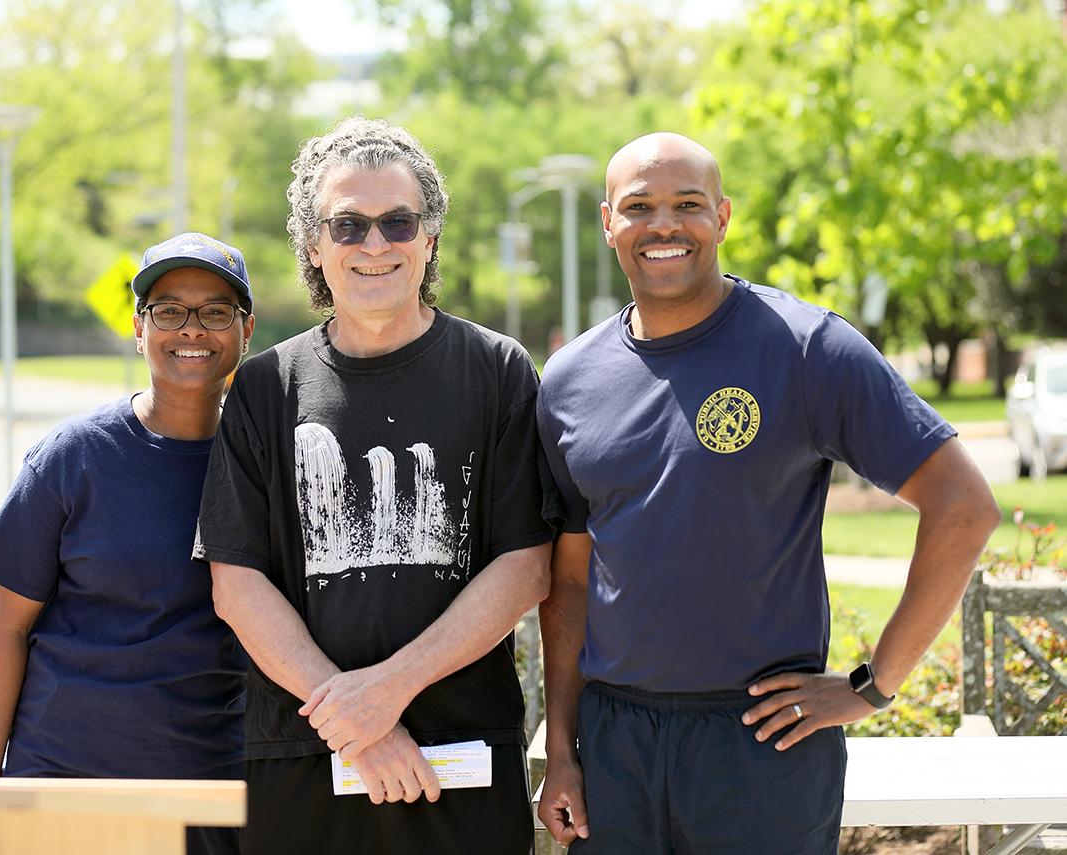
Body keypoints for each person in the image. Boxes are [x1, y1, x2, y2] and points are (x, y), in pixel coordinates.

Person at [534, 132, 1001, 854]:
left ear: (722, 219)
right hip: (615, 744)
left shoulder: (807, 347)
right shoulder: (568, 380)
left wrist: (873, 685)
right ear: (607, 223)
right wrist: (562, 749)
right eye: (639, 206)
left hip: (761, 742)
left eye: (688, 204)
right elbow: (567, 581)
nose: (664, 224)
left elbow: (965, 507)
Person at [193, 117, 553, 855]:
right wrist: (357, 726)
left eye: (397, 221)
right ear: (314, 246)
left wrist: (385, 694)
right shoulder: (266, 387)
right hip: (300, 760)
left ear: (429, 237)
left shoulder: (498, 371)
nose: (375, 244)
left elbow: (525, 564)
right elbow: (236, 582)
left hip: (461, 758)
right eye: (348, 225)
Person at [0, 232, 254, 855]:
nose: (192, 330)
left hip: (210, 788)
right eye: (169, 310)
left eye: (215, 312)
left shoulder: (263, 463)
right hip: (64, 781)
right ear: (139, 326)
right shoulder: (73, 458)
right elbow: (8, 631)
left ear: (245, 330)